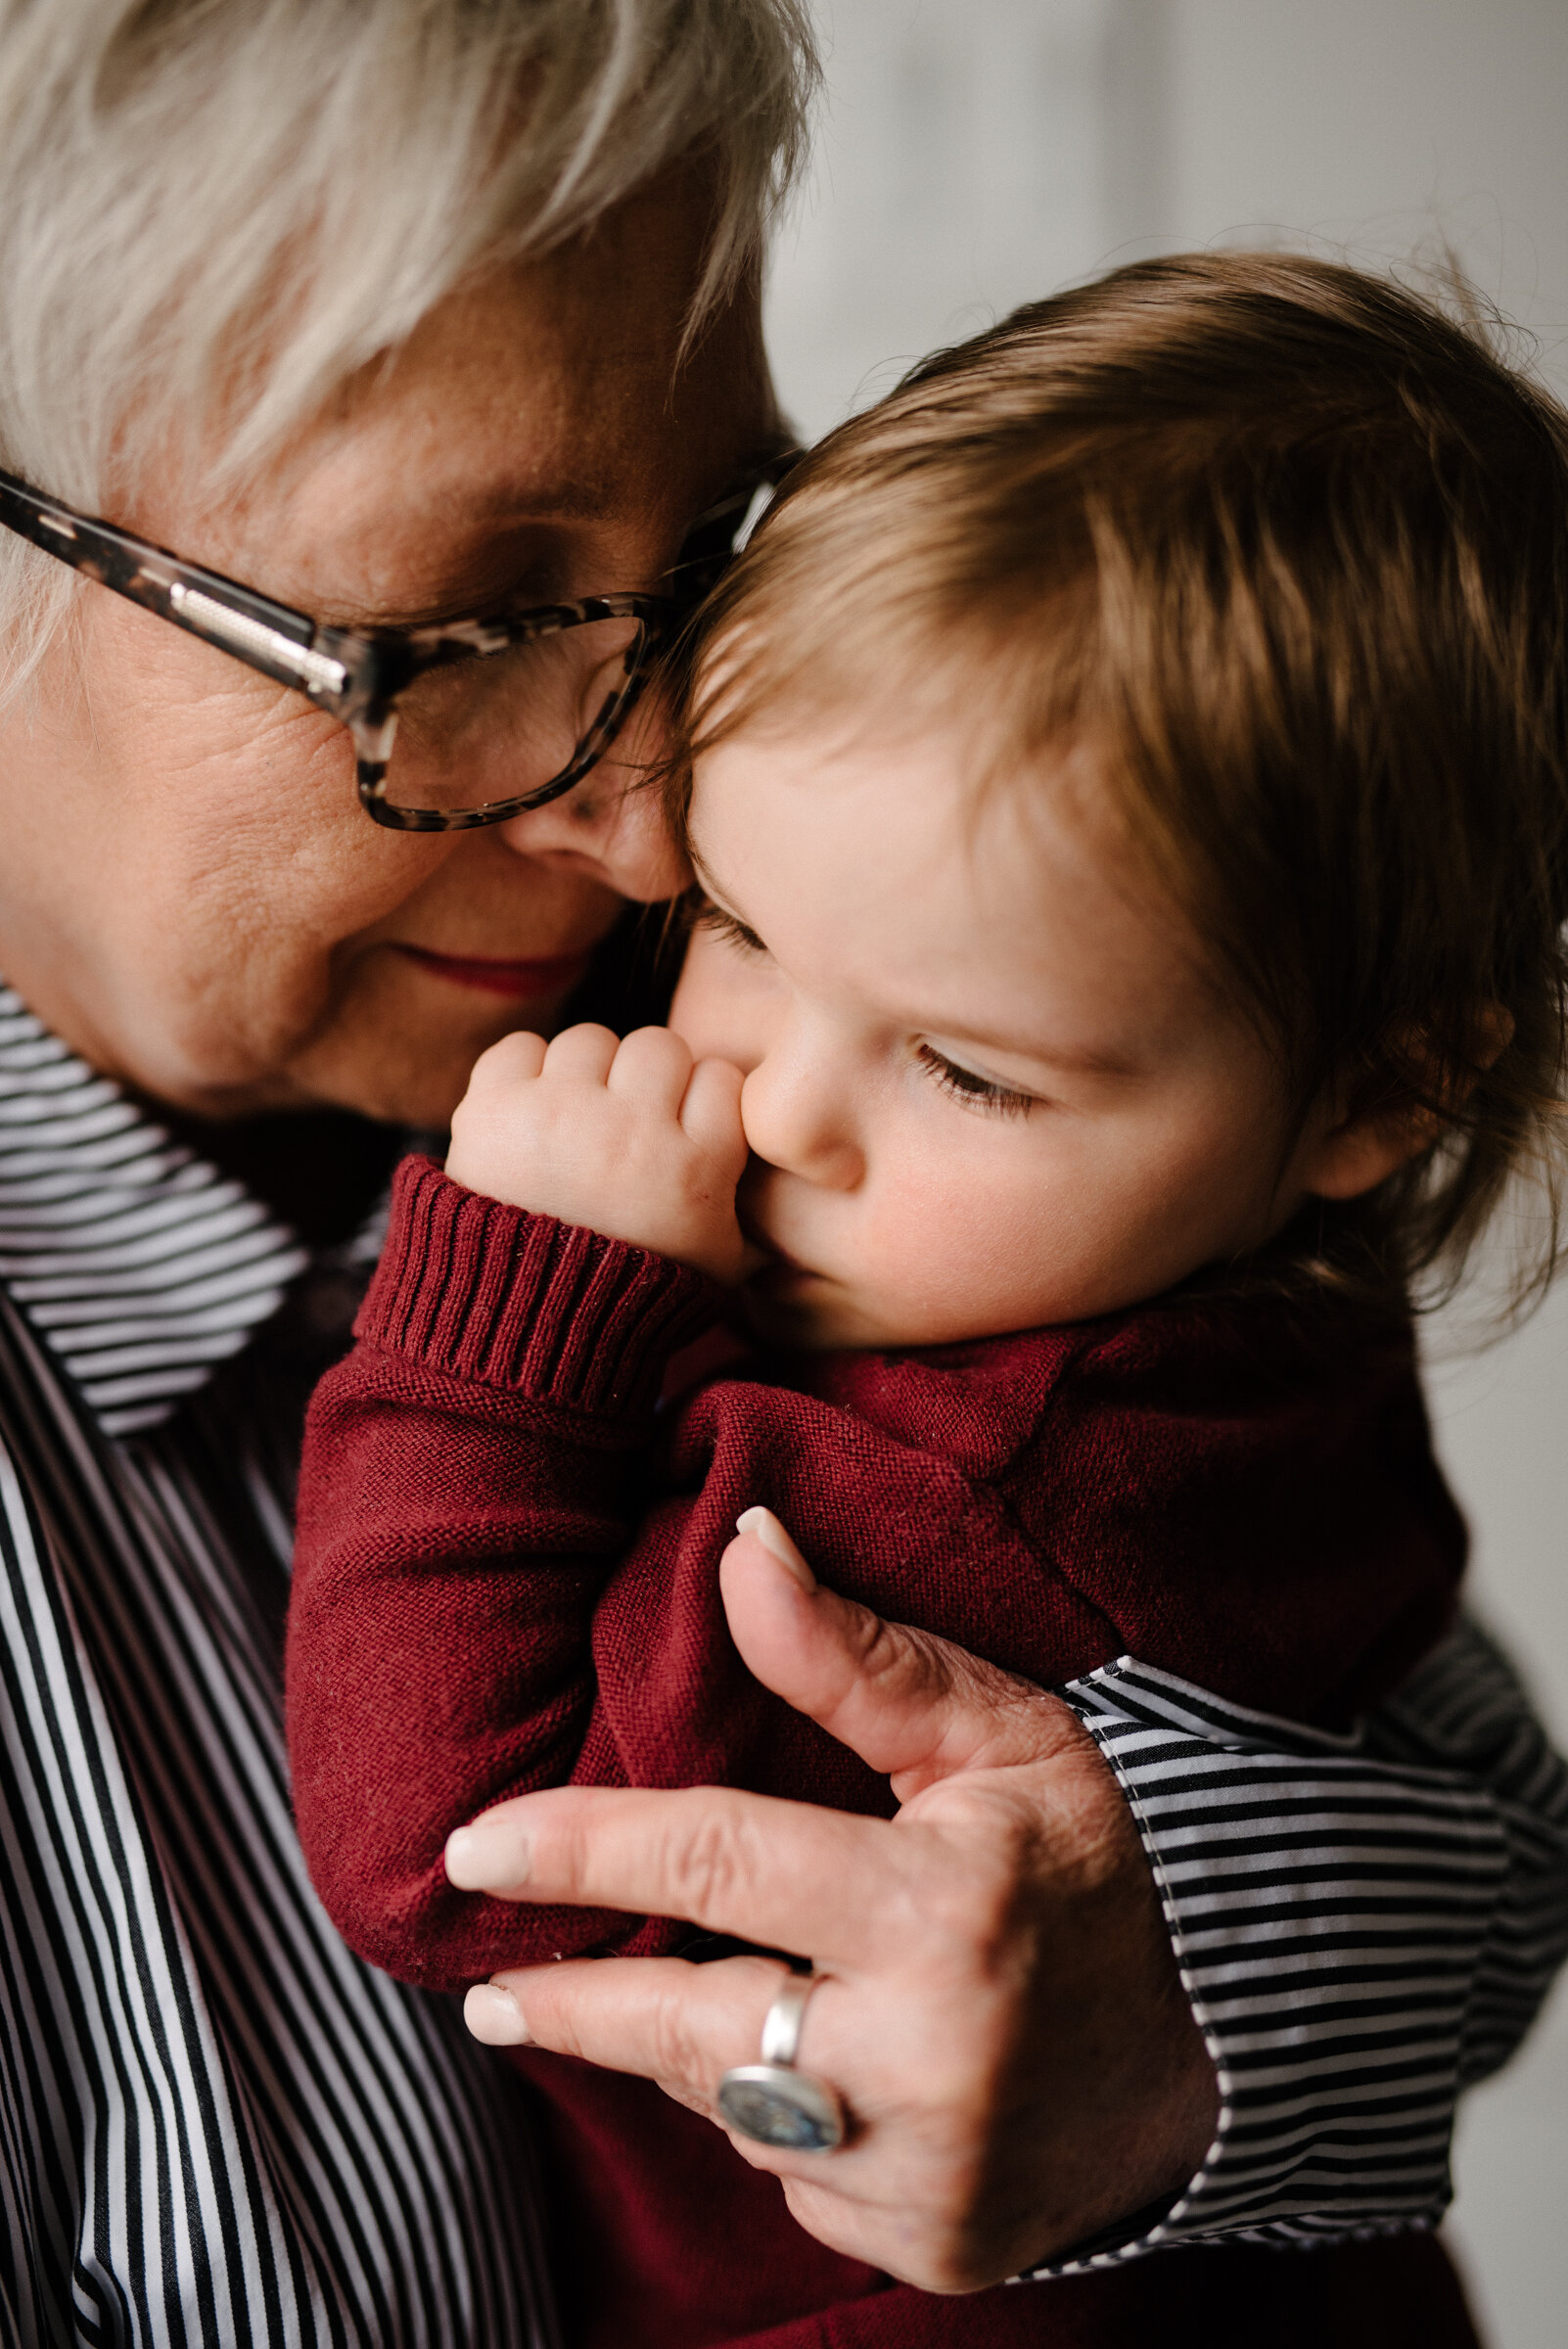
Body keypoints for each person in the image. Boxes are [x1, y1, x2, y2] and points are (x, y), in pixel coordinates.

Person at [0, 4, 1559, 2342]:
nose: (648, 823)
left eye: (712, 555)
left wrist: (1184, 1983)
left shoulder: (768, 1022)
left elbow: (1478, 1807)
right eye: (463, 633)